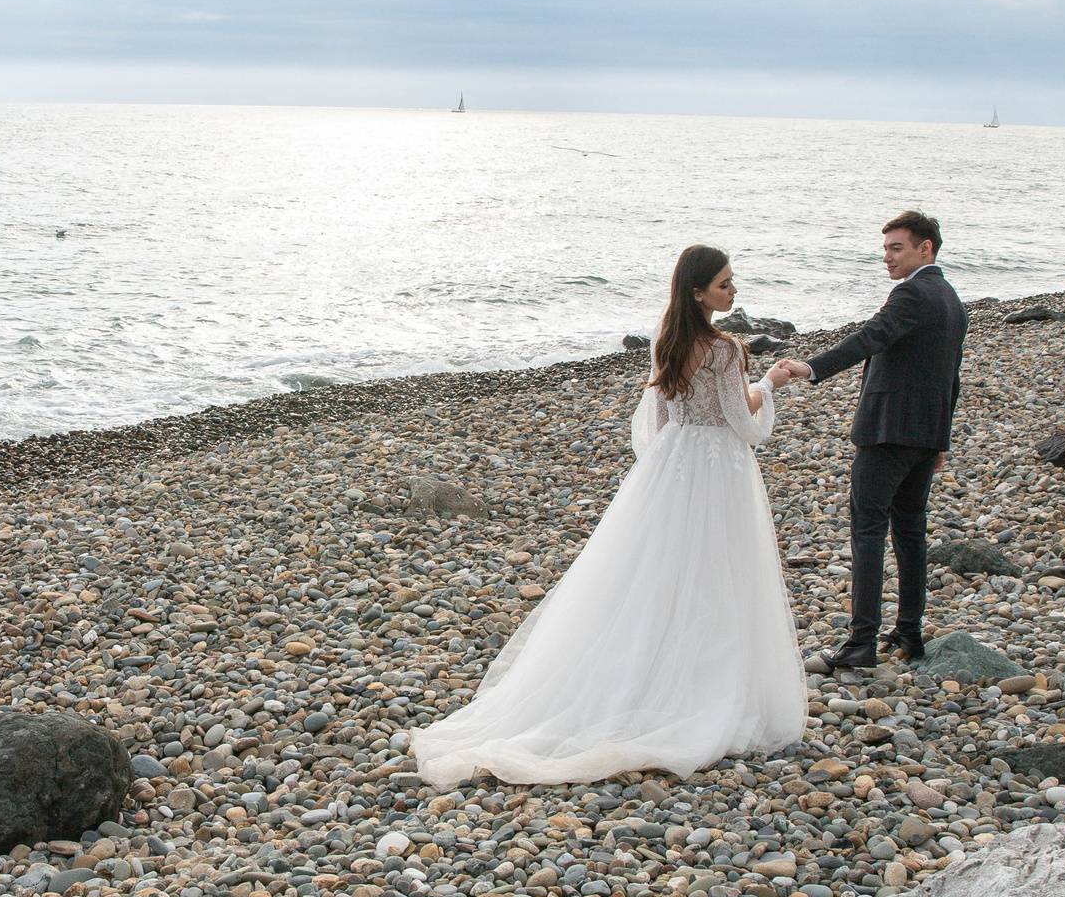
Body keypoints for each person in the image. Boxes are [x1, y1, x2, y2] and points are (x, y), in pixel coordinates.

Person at [411, 245, 805, 786]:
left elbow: (664, 417)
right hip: (716, 468)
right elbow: (741, 421)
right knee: (717, 572)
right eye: (723, 284)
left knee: (654, 574)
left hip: (673, 466)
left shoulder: (669, 339)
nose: (733, 291)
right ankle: (703, 686)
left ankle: (640, 676)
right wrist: (770, 385)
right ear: (697, 291)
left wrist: (672, 463)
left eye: (732, 282)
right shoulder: (725, 348)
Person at [765, 210, 966, 670]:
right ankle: (909, 632)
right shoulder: (951, 297)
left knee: (869, 530)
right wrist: (939, 440)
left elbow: (871, 337)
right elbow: (949, 377)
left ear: (925, 249)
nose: (887, 257)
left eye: (896, 248)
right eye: (885, 249)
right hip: (923, 433)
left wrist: (811, 367)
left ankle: (861, 641)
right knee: (911, 531)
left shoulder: (913, 292)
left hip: (887, 432)